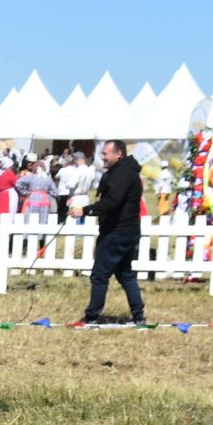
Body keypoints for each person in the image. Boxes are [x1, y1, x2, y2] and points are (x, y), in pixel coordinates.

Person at [83, 138, 145, 325]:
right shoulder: (121, 171)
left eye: (105, 153)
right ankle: (139, 315)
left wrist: (86, 210)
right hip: (125, 231)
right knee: (125, 273)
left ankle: (92, 317)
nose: (102, 157)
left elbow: (113, 202)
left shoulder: (122, 173)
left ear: (118, 154)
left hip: (117, 232)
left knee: (100, 275)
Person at [56, 149, 93, 221]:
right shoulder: (89, 170)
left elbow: (71, 184)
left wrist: (66, 183)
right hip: (85, 197)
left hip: (76, 198)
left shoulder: (78, 170)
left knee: (74, 222)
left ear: (76, 160)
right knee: (83, 221)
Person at [17, 157, 55, 222]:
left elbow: (18, 183)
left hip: (33, 200)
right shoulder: (25, 173)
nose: (31, 164)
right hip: (36, 200)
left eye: (32, 163)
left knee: (32, 219)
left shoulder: (35, 176)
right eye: (29, 162)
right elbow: (55, 192)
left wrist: (25, 192)